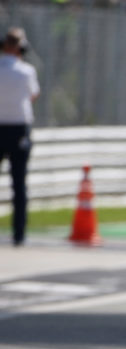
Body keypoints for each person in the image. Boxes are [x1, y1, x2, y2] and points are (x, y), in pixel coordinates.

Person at [0, 28, 39, 247]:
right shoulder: (26, 71)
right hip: (18, 129)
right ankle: (19, 234)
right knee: (19, 183)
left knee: (19, 183)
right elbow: (33, 95)